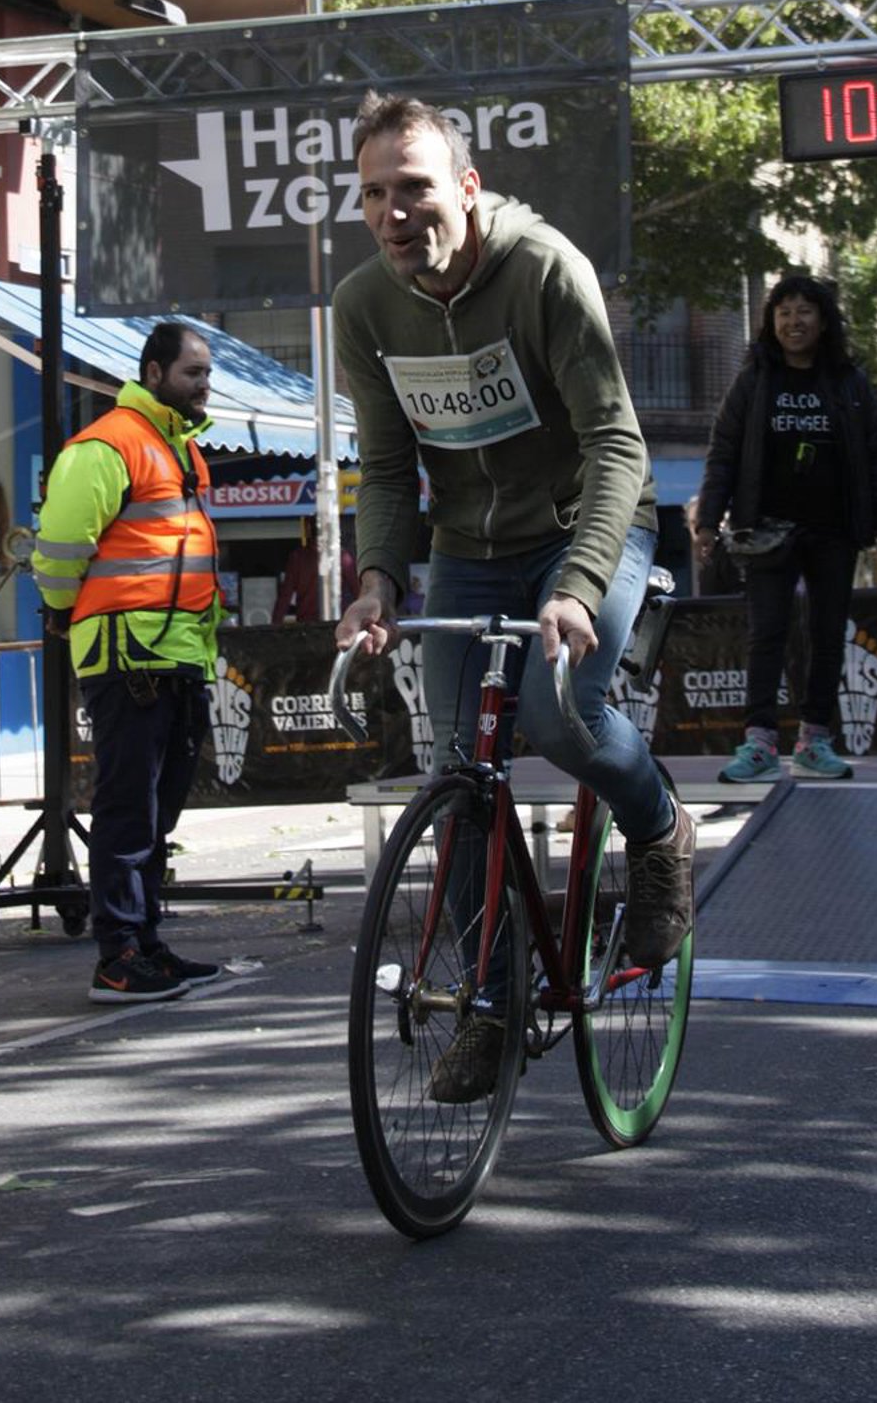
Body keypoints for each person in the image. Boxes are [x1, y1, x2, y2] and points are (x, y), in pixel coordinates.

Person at [333, 90, 694, 1102]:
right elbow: (386, 467)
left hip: (591, 525)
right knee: (458, 774)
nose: (393, 213)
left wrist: (579, 586)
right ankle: (491, 1005)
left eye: (413, 188)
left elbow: (617, 445)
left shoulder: (544, 270)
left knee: (555, 710)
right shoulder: (364, 306)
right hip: (469, 550)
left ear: (467, 187)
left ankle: (659, 823)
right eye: (373, 195)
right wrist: (376, 580)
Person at [33, 322, 225, 1004]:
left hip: (176, 654)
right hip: (128, 654)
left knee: (155, 810)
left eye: (207, 373)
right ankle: (117, 956)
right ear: (153, 372)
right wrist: (62, 608)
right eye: (193, 373)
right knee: (127, 807)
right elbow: (61, 545)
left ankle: (144, 944)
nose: (205, 385)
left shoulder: (179, 447)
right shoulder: (110, 443)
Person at [694, 271, 877, 783]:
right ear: (771, 322)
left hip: (835, 530)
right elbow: (724, 453)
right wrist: (708, 521)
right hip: (765, 532)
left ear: (823, 321)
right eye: (783, 312)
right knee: (766, 635)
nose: (793, 321)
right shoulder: (753, 381)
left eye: (804, 311)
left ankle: (815, 741)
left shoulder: (850, 383)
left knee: (828, 636)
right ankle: (759, 744)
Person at [271, 518, 357, 621]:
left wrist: (275, 623)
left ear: (309, 530)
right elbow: (358, 590)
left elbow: (285, 596)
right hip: (336, 623)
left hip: (306, 623)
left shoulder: (298, 558)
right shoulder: (341, 557)